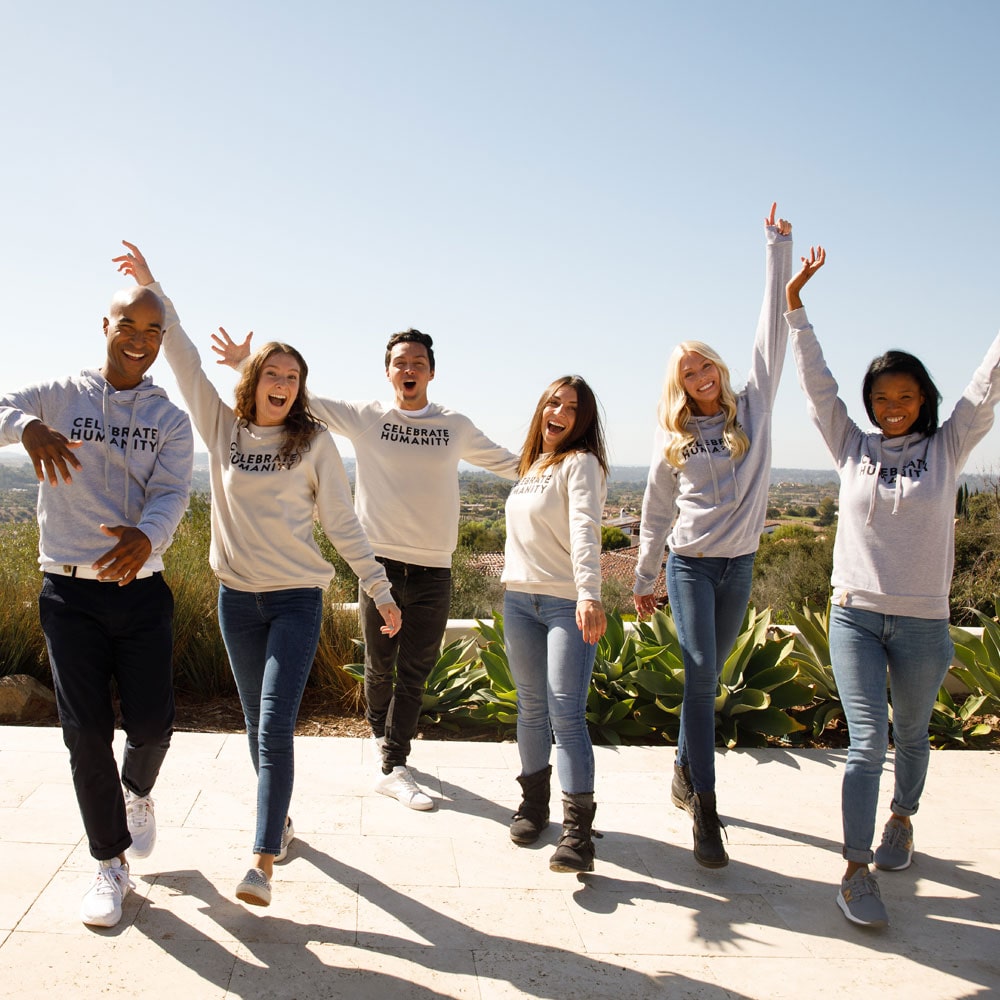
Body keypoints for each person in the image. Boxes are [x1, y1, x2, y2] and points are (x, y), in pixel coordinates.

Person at [114, 243, 401, 907]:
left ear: (301, 389)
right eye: (273, 371)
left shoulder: (315, 444)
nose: (283, 383)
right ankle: (285, 825)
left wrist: (380, 590)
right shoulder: (224, 431)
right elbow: (183, 358)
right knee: (255, 726)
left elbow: (344, 525)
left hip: (297, 603)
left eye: (293, 377)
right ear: (255, 378)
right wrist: (154, 288)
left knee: (273, 727)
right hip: (236, 604)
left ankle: (262, 860)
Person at [214, 326, 519, 810]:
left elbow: (510, 463)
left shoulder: (455, 425)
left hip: (435, 568)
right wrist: (244, 363)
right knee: (379, 667)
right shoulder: (366, 419)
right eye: (400, 362)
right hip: (378, 564)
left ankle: (394, 763)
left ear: (432, 372)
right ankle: (384, 738)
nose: (409, 369)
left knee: (416, 669)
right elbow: (296, 396)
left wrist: (558, 464)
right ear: (388, 371)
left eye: (418, 362)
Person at [786, 246, 1000, 928]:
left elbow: (987, 383)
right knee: (866, 741)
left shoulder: (949, 447)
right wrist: (796, 307)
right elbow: (819, 387)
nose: (892, 407)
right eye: (882, 397)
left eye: (905, 397)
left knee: (912, 735)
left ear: (924, 400)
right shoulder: (851, 446)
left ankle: (901, 820)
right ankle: (854, 870)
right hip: (853, 614)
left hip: (923, 624)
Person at [0, 283, 193, 927]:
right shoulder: (61, 392)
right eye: (127, 325)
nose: (139, 340)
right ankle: (109, 865)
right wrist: (25, 426)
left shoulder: (170, 419)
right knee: (85, 731)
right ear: (104, 325)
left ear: (161, 341)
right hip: (68, 590)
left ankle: (137, 792)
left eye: (152, 332)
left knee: (154, 726)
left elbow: (171, 493)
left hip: (140, 589)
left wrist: (149, 535)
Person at [632, 204, 793, 868]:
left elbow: (772, 330)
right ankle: (707, 809)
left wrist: (775, 248)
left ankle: (680, 767)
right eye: (688, 375)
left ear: (719, 369)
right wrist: (645, 578)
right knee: (700, 679)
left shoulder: (753, 404)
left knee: (711, 679)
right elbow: (653, 514)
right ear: (678, 386)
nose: (701, 379)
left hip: (741, 564)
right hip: (692, 567)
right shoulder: (673, 441)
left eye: (706, 368)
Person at [502, 375, 609, 873]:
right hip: (520, 601)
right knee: (530, 708)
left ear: (581, 420)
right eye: (552, 401)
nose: (558, 411)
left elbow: (585, 529)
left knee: (565, 714)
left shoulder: (581, 463)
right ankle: (534, 807)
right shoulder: (532, 466)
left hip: (566, 602)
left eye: (570, 406)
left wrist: (590, 595)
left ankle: (578, 834)